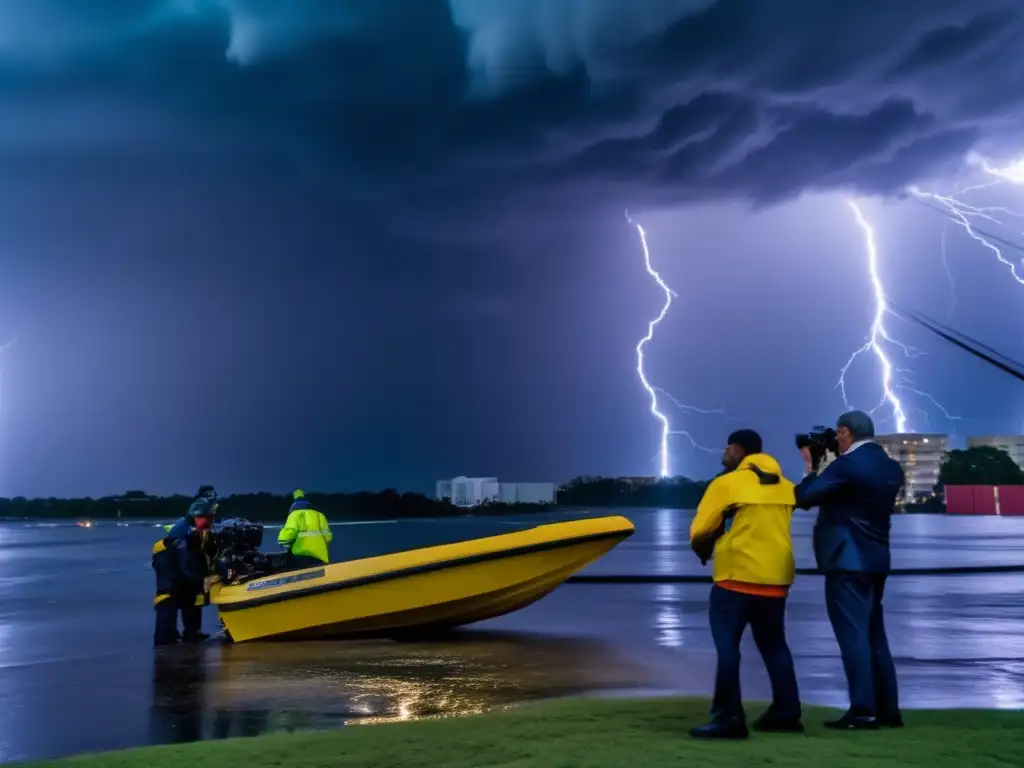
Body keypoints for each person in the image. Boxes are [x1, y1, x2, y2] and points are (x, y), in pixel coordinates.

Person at [688, 429, 802, 740]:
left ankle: (728, 719)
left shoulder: (726, 484)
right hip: (776, 580)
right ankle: (786, 713)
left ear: (737, 451)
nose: (724, 456)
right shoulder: (786, 486)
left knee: (728, 650)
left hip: (735, 580)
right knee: (775, 646)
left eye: (727, 450)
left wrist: (703, 550)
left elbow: (699, 530)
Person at [794, 410, 904, 730]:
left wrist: (811, 466)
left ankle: (863, 710)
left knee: (852, 636)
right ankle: (888, 710)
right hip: (877, 559)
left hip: (846, 561)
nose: (836, 440)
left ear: (845, 432)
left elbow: (804, 497)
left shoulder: (847, 466)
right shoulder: (891, 467)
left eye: (839, 434)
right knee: (875, 636)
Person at [152, 485, 219, 646]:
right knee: (167, 597)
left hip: (181, 559)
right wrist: (202, 577)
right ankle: (164, 638)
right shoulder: (186, 533)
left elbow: (203, 554)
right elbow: (187, 564)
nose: (210, 521)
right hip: (167, 560)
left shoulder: (199, 528)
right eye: (207, 518)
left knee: (192, 595)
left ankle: (192, 633)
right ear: (197, 517)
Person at [278, 489, 332, 569]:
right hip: (320, 558)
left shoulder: (295, 514)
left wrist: (285, 544)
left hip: (301, 558)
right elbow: (328, 538)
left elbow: (285, 538)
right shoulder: (320, 516)